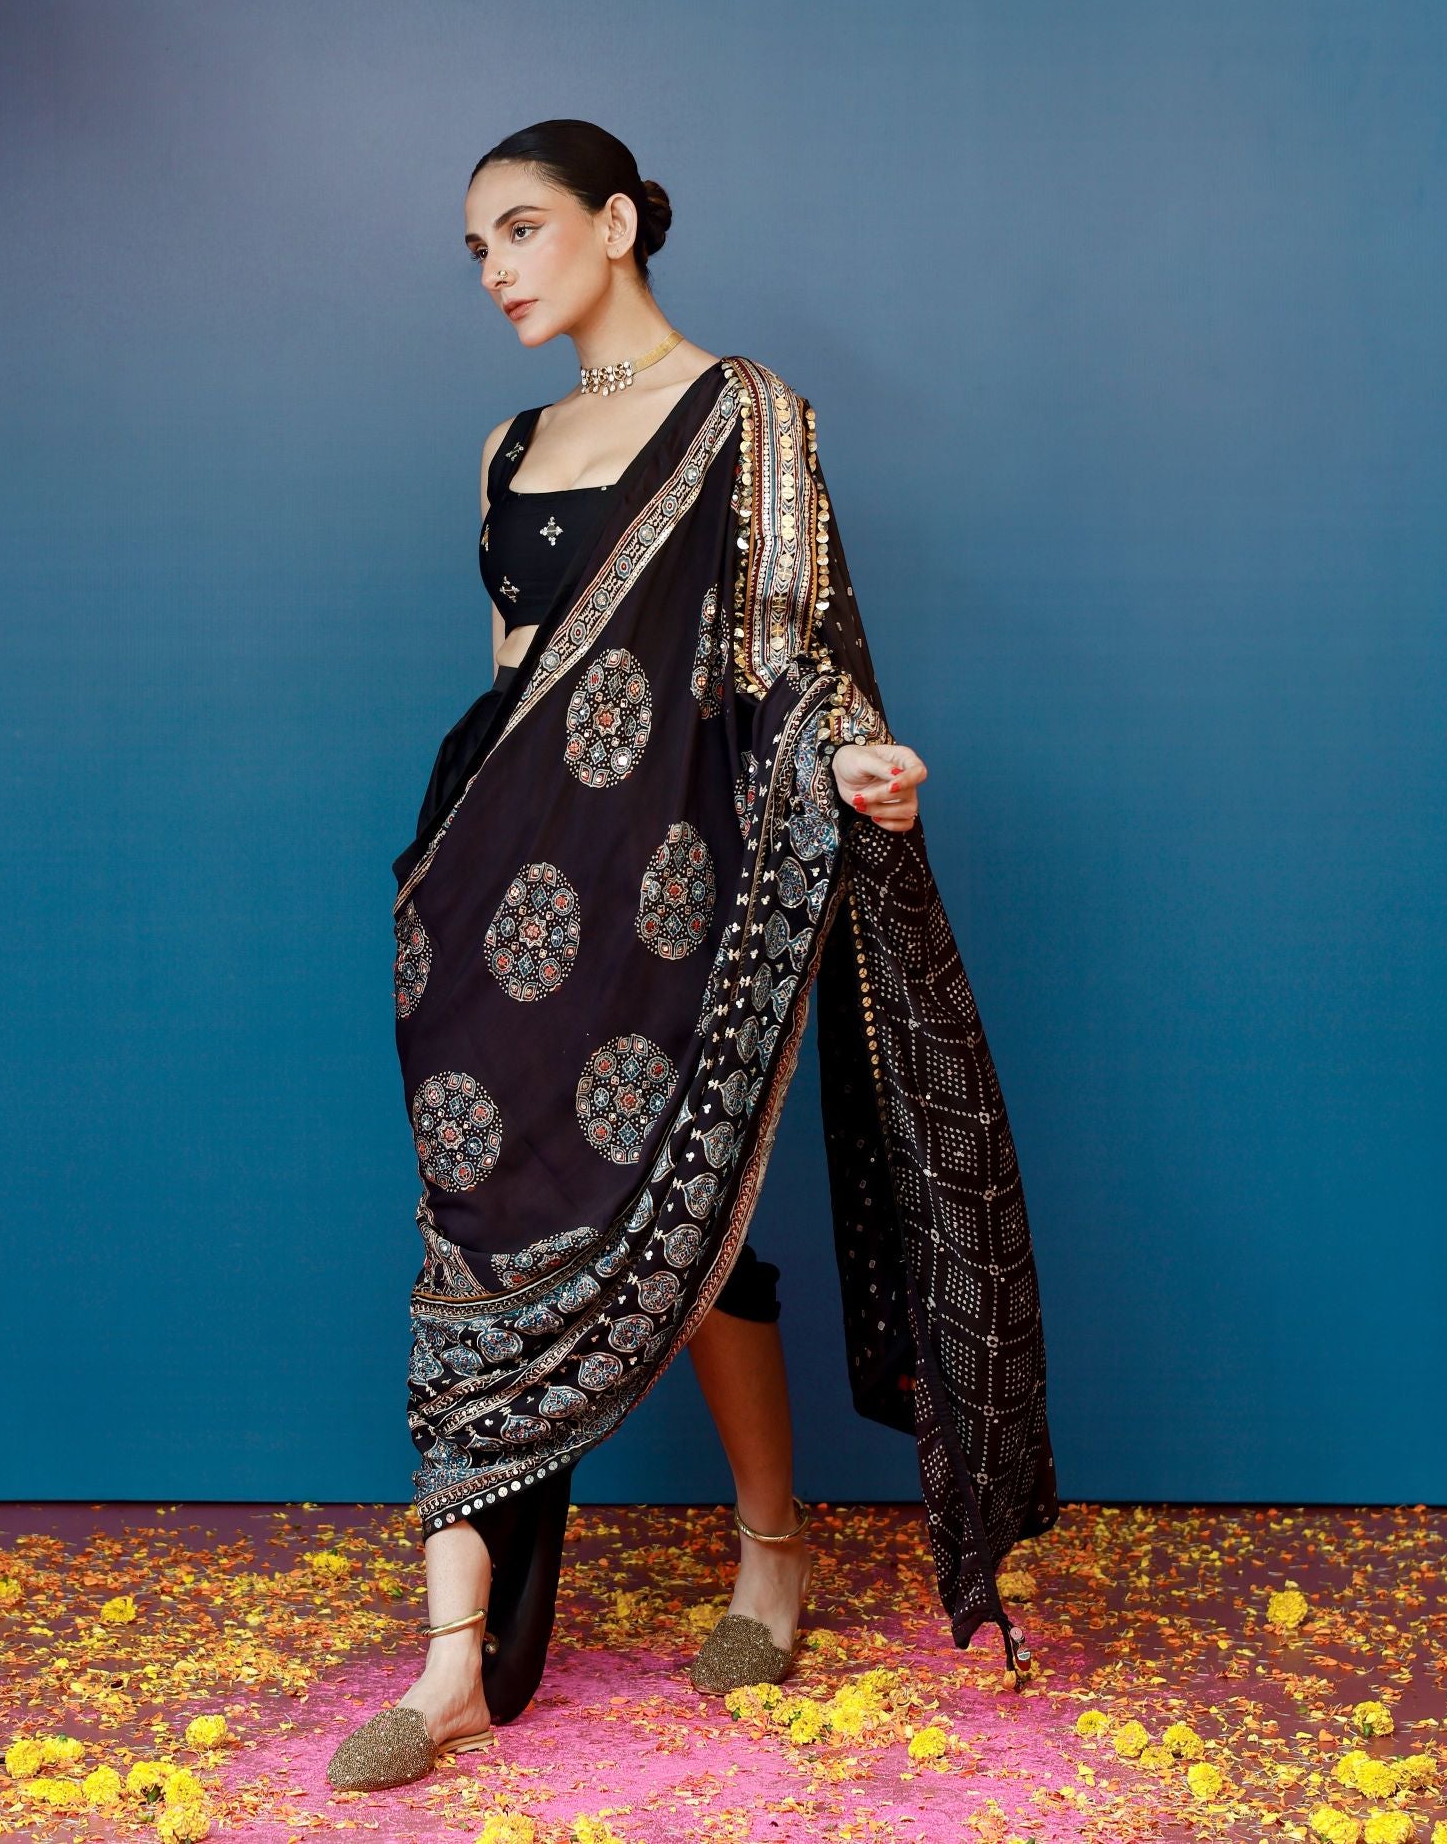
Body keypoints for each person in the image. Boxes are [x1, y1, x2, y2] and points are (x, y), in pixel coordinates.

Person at [328, 120, 1058, 1794]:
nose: (498, 270)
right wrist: (443, 879)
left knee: (696, 1220)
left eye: (522, 229)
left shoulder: (745, 416)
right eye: (476, 248)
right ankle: (450, 1663)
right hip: (483, 901)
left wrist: (855, 764)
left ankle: (769, 1556)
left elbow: (786, 657)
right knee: (474, 1235)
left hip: (669, 889)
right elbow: (518, 683)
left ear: (616, 222)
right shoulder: (510, 444)